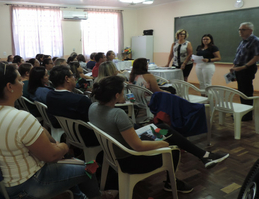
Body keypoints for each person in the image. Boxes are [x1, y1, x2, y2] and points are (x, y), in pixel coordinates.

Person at [0, 63, 105, 199]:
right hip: (27, 185)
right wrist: (64, 147)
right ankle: (96, 196)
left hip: (3, 181)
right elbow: (51, 156)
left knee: (68, 167)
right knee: (90, 167)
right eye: (19, 80)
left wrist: (54, 146)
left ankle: (78, 195)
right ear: (9, 87)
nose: (23, 83)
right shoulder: (19, 118)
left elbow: (36, 134)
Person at [89, 76, 229, 194]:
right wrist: (163, 144)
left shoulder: (93, 107)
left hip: (115, 153)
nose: (125, 94)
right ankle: (171, 181)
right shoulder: (117, 114)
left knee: (163, 128)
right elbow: (138, 146)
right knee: (173, 148)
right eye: (123, 91)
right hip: (131, 161)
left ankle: (204, 155)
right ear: (116, 95)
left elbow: (126, 136)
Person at [46, 65, 99, 146]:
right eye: (73, 76)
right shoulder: (80, 100)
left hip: (68, 134)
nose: (74, 78)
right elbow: (95, 120)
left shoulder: (50, 95)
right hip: (87, 138)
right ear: (67, 79)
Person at [230, 22, 259, 121]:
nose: (240, 31)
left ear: (250, 31)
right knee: (241, 91)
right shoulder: (243, 41)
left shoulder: (255, 41)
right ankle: (243, 111)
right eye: (239, 29)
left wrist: (243, 67)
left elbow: (256, 57)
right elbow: (239, 55)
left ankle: (247, 114)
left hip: (246, 69)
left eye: (243, 29)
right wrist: (234, 66)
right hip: (238, 69)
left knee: (246, 92)